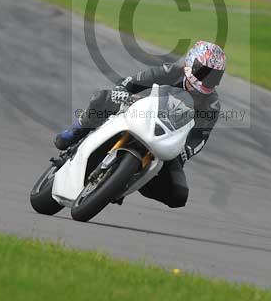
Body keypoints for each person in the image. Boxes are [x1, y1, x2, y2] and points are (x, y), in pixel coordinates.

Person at [54, 40, 226, 208]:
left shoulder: (212, 104)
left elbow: (200, 138)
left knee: (179, 196)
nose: (207, 79)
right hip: (142, 112)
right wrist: (123, 90)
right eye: (204, 72)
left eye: (214, 76)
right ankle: (76, 132)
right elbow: (135, 81)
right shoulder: (172, 71)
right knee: (102, 98)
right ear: (190, 63)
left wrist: (186, 152)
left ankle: (127, 182)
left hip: (169, 138)